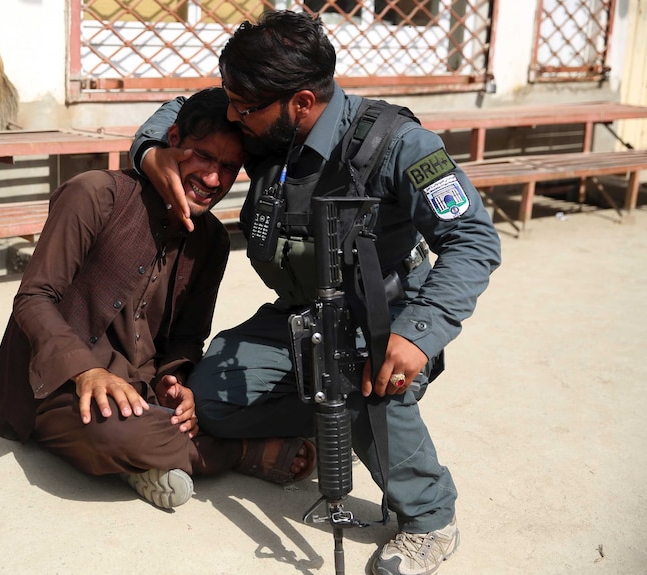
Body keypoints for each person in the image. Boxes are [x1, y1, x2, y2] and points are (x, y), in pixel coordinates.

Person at [129, 11, 501, 574]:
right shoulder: (264, 126)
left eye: (243, 107)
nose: (232, 116)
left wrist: (417, 334)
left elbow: (473, 237)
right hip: (299, 314)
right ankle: (329, 420)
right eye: (233, 101)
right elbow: (182, 110)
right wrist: (152, 150)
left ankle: (430, 518)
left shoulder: (399, 144)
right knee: (208, 400)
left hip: (380, 321)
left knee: (353, 384)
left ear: (301, 102)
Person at [0, 87, 317, 511]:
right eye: (202, 156)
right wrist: (86, 370)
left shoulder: (212, 239)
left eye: (229, 167)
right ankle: (241, 453)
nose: (213, 179)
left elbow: (187, 338)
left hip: (140, 392)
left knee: (209, 405)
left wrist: (176, 381)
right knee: (109, 430)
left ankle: (142, 461)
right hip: (58, 383)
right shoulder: (95, 194)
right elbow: (34, 297)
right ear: (173, 139)